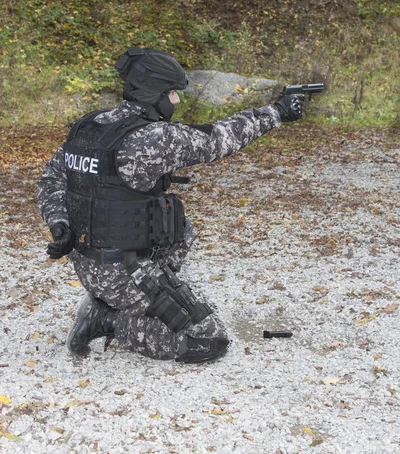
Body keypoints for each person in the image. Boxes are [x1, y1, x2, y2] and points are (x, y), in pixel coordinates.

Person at [37, 47, 304, 363]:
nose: (176, 100)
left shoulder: (89, 126)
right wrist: (277, 112)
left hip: (87, 263)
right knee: (208, 341)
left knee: (179, 226)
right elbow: (219, 138)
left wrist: (60, 225)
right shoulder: (151, 138)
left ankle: (132, 297)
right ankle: (105, 320)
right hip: (121, 272)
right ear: (154, 94)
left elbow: (50, 181)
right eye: (172, 93)